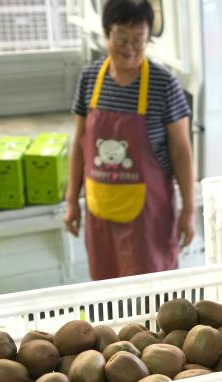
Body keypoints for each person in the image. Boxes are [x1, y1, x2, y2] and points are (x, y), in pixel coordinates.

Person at [64, 0, 195, 280]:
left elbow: (182, 152)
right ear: (107, 33)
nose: (130, 48)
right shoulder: (89, 79)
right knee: (107, 292)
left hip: (149, 219)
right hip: (101, 214)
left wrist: (189, 210)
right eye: (122, 38)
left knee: (153, 293)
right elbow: (79, 145)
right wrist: (72, 200)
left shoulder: (164, 85)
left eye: (139, 40)